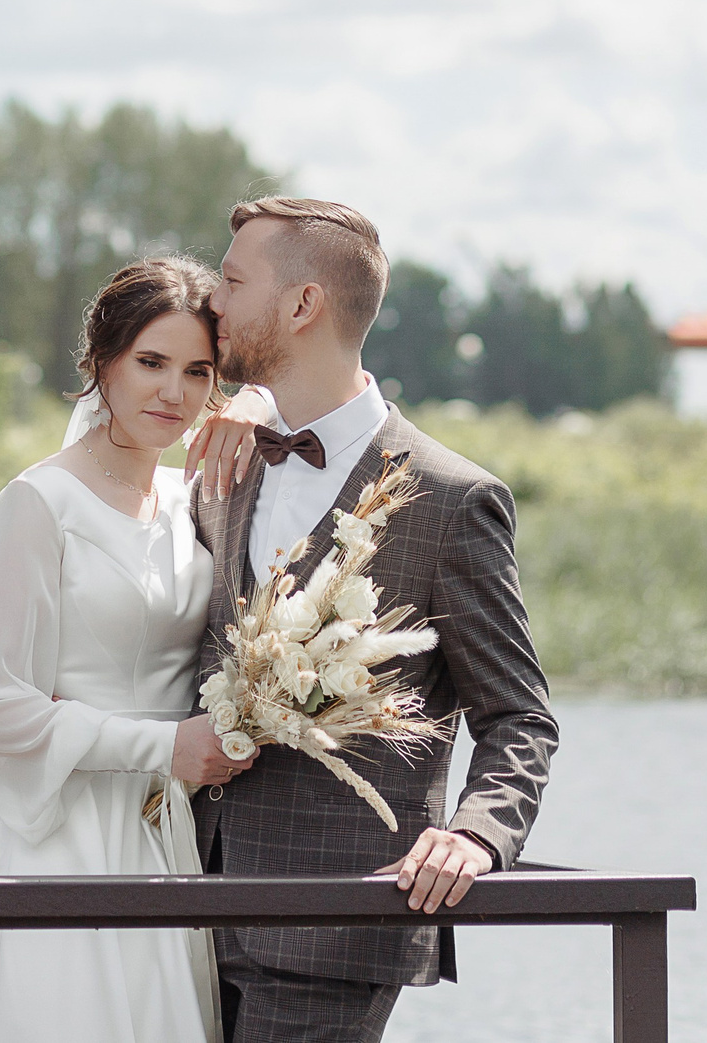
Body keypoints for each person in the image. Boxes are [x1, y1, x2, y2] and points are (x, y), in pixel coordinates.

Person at [186, 197, 560, 1043]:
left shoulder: (451, 497)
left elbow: (519, 715)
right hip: (181, 906)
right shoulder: (230, 452)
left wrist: (478, 833)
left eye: (235, 281)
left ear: (302, 304)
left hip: (337, 923)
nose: (215, 301)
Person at [0, 255, 272, 1043]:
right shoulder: (37, 505)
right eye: (150, 362)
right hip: (57, 837)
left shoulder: (191, 499)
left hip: (163, 836)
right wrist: (164, 743)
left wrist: (261, 400)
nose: (172, 392)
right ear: (100, 360)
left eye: (197, 370)